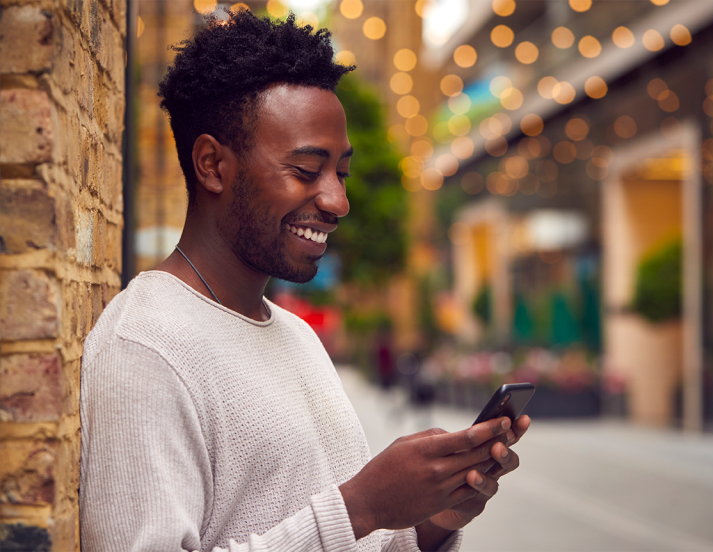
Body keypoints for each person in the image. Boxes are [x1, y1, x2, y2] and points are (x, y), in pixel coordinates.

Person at [78, 12, 530, 552]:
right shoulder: (146, 346)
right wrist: (360, 506)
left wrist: (431, 520)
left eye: (340, 172)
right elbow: (343, 521)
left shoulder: (296, 336)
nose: (338, 201)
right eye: (305, 170)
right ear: (212, 165)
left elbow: (346, 541)